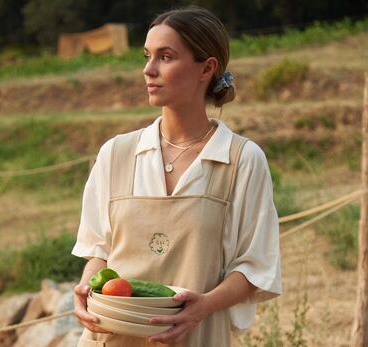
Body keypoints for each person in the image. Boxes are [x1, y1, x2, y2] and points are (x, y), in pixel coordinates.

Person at [72, 6, 281, 347]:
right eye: (147, 56)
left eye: (165, 57)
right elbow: (100, 251)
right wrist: (86, 290)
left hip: (196, 337)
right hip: (111, 337)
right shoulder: (117, 154)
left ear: (206, 68)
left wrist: (202, 308)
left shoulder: (241, 160)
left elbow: (255, 268)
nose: (148, 70)